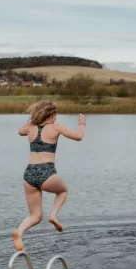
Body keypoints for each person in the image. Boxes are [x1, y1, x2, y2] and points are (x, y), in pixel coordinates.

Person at [11, 101, 86, 251]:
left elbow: (20, 131)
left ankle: (19, 233)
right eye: (55, 115)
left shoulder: (30, 128)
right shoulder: (55, 128)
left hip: (29, 174)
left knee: (35, 216)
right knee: (63, 191)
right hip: (47, 172)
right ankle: (53, 215)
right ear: (52, 115)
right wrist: (82, 124)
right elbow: (78, 136)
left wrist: (33, 121)